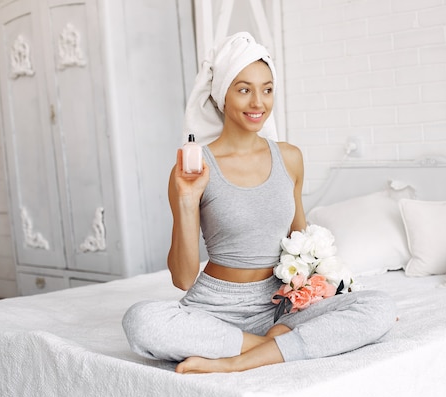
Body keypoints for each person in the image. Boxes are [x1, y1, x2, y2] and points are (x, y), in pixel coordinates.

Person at [122, 32, 396, 374]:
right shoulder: (193, 169)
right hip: (215, 307)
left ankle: (237, 360)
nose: (258, 103)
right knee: (140, 321)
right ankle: (272, 348)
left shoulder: (290, 158)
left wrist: (316, 289)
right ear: (222, 95)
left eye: (267, 89)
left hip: (280, 306)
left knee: (379, 307)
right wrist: (188, 201)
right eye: (244, 89)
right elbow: (182, 278)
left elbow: (300, 241)